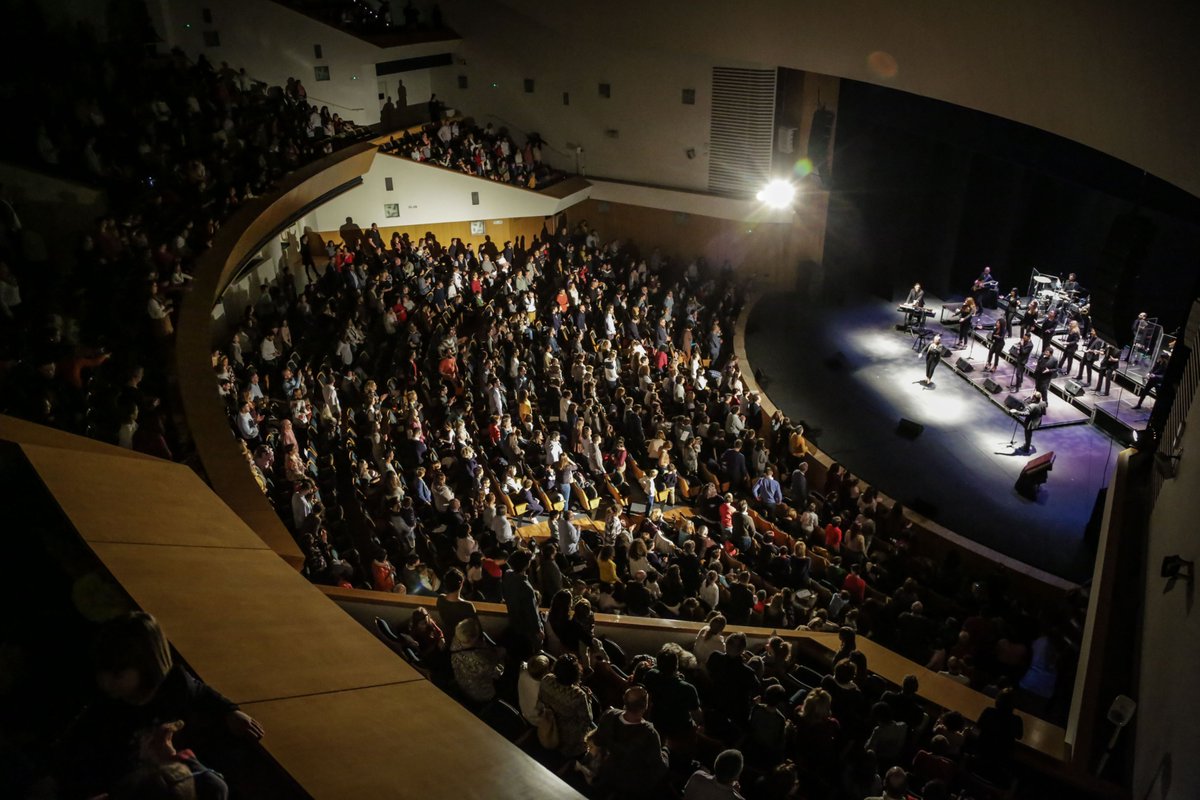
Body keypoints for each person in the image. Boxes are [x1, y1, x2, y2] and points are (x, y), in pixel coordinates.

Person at [55, 612, 262, 799]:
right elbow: (77, 738)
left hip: (160, 780)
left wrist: (230, 711)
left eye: (117, 674)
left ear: (146, 665)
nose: (105, 681)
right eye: (102, 672)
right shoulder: (109, 700)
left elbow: (201, 692)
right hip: (120, 776)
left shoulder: (176, 684)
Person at [591, 685, 668, 799]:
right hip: (630, 785)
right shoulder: (650, 734)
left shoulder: (609, 715)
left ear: (624, 700)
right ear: (645, 706)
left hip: (606, 774)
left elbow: (597, 741)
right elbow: (658, 767)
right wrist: (666, 750)